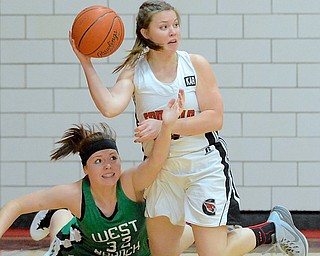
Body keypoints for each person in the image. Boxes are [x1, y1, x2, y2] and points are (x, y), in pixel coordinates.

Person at [68, 1, 309, 255]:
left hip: (202, 165)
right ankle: (208, 229)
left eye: (175, 25)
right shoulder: (135, 71)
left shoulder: (195, 64)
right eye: (164, 26)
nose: (173, 31)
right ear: (145, 33)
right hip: (161, 169)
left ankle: (271, 229)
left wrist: (164, 126)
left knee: (213, 254)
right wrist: (86, 63)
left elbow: (215, 118)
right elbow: (109, 107)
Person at [0, 92, 187, 255]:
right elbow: (15, 205)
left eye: (113, 157)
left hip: (134, 251)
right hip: (81, 251)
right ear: (86, 169)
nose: (108, 165)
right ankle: (57, 214)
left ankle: (58, 213)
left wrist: (167, 126)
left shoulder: (130, 183)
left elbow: (156, 162)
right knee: (61, 235)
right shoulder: (75, 194)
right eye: (98, 161)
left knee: (191, 231)